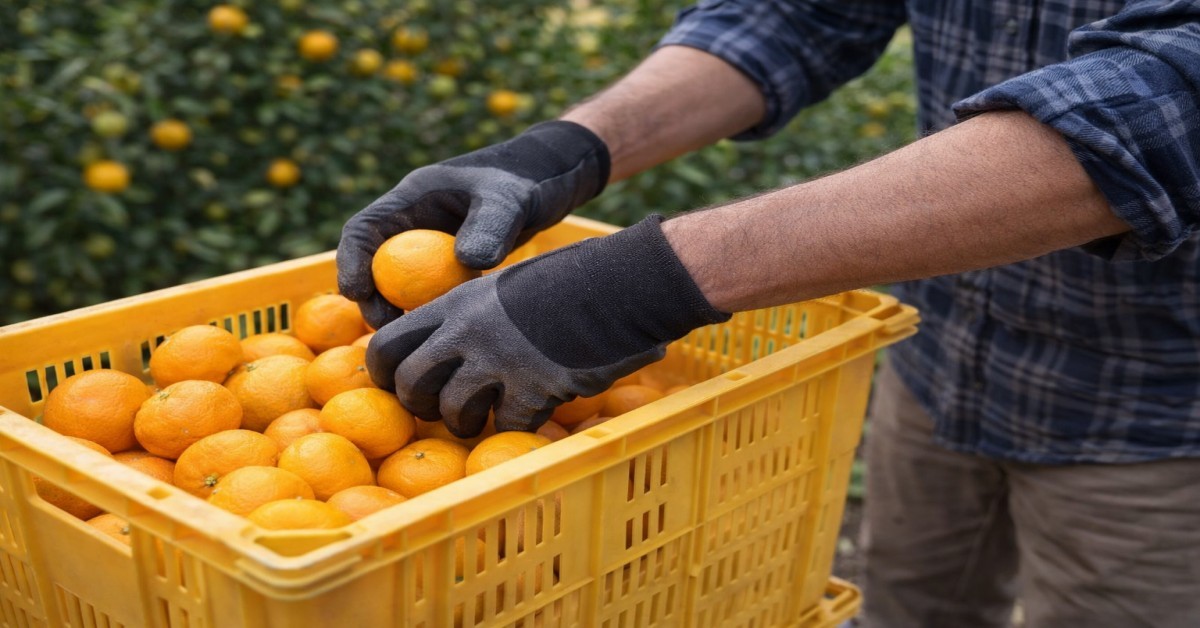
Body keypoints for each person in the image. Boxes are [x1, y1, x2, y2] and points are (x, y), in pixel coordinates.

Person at [337, 1, 1200, 626]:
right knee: (910, 602)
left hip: (1150, 406)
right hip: (942, 352)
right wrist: (567, 150)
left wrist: (635, 284)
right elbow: (794, 16)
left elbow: (1169, 104)